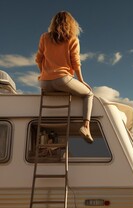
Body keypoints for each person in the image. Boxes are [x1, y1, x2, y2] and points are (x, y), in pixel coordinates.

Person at [35, 11, 94, 143]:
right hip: (62, 80)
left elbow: (39, 59)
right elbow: (76, 63)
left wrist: (45, 74)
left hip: (45, 83)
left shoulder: (44, 37)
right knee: (89, 94)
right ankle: (86, 127)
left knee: (58, 86)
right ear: (71, 24)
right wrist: (81, 80)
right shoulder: (72, 39)